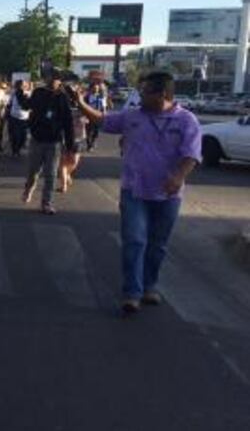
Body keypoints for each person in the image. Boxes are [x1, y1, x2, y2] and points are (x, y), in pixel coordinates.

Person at [73, 72, 202, 316]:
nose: (139, 96)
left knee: (158, 244)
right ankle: (132, 292)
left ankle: (149, 286)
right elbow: (103, 121)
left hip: (168, 196)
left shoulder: (187, 121)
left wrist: (178, 176)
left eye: (144, 91)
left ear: (162, 94)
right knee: (134, 240)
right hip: (134, 191)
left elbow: (192, 154)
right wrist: (81, 103)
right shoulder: (133, 116)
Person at [16, 69, 75, 215]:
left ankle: (46, 203)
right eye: (51, 77)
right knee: (33, 171)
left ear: (60, 81)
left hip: (54, 142)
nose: (53, 80)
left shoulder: (63, 98)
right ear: (47, 78)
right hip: (37, 139)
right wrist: (19, 92)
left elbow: (68, 123)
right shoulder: (38, 92)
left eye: (56, 78)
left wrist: (70, 146)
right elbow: (25, 105)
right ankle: (28, 188)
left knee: (51, 174)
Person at [58, 83, 87, 194]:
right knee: (64, 162)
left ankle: (67, 174)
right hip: (64, 137)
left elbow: (88, 118)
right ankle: (64, 185)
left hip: (79, 137)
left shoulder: (82, 105)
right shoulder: (61, 104)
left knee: (74, 161)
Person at [8, 79, 30, 156]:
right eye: (22, 85)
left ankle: (18, 149)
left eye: (24, 85)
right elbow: (9, 103)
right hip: (14, 117)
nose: (23, 86)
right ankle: (15, 150)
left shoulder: (28, 93)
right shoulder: (13, 93)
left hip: (24, 118)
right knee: (15, 135)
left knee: (23, 136)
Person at [84, 81, 108, 151]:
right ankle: (89, 145)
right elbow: (84, 106)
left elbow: (104, 108)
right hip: (89, 116)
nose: (95, 89)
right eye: (94, 88)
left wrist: (104, 116)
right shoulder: (88, 97)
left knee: (96, 132)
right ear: (91, 89)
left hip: (98, 116)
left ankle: (93, 141)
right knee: (88, 131)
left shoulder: (101, 97)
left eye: (97, 88)